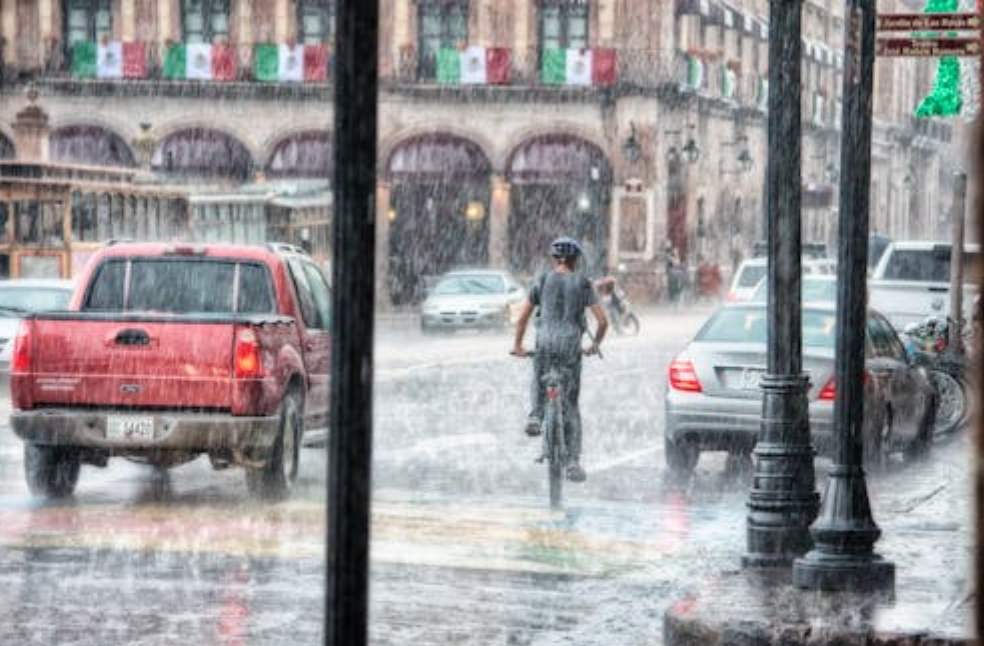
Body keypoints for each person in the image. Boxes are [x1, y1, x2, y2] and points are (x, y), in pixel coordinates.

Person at [510, 236, 608, 483]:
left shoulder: (542, 280)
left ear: (554, 259)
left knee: (538, 377)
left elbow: (522, 319)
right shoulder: (584, 283)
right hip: (570, 347)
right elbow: (603, 322)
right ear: (576, 260)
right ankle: (573, 461)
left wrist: (518, 345)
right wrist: (594, 345)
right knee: (571, 405)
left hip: (545, 343)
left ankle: (535, 415)